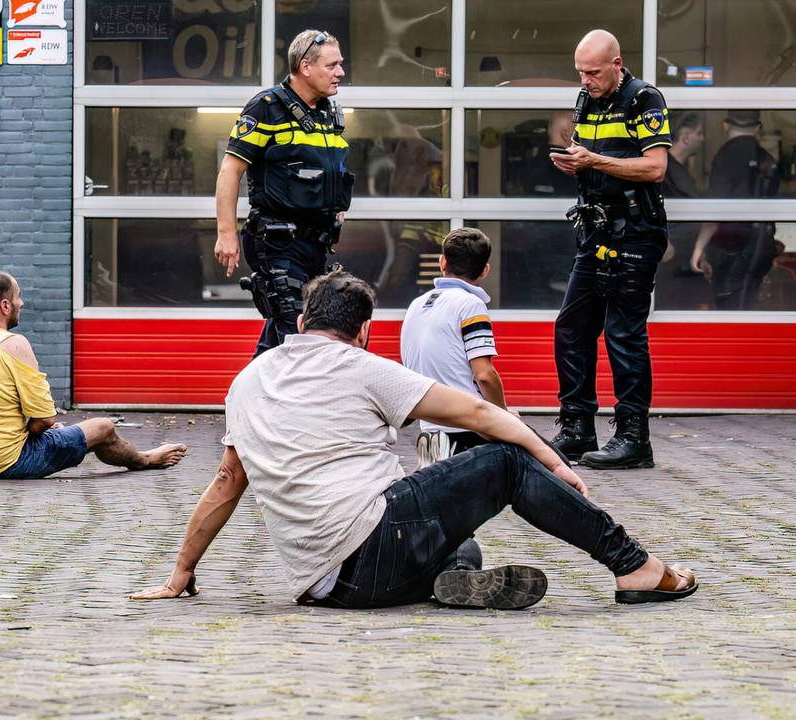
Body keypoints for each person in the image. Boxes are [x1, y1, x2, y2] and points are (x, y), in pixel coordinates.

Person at [130, 270, 697, 610]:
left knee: (461, 540)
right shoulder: (364, 365)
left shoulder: (248, 379)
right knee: (503, 461)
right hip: (375, 546)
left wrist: (181, 572)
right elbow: (480, 413)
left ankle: (456, 581)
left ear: (301, 323)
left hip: (326, 587)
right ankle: (635, 566)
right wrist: (554, 463)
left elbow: (227, 481)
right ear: (364, 331)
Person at [549, 30, 671, 470]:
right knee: (571, 327)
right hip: (595, 230)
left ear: (617, 64)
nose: (585, 80)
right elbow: (592, 158)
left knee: (623, 333)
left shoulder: (644, 99)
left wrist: (593, 160)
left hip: (635, 232)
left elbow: (655, 168)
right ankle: (577, 428)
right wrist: (573, 162)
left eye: (594, 72)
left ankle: (634, 439)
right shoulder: (587, 101)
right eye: (580, 72)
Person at [0, 270, 187, 479]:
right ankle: (145, 459)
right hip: (4, 462)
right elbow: (45, 420)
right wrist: (37, 429)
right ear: (5, 306)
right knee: (103, 427)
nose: (21, 303)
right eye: (18, 296)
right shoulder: (12, 344)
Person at [213, 29, 355, 356]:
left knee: (281, 338)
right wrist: (226, 233)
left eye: (340, 64)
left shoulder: (327, 112)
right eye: (332, 65)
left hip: (316, 244)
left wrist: (333, 206)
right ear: (305, 67)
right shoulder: (266, 108)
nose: (340, 72)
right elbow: (230, 170)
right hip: (277, 243)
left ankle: (251, 389)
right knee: (301, 336)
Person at [401, 228, 506, 466]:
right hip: (466, 428)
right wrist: (503, 417)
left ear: (442, 262)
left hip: (429, 428)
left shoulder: (416, 305)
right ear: (485, 270)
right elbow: (484, 375)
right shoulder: (471, 305)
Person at [690, 110, 782, 310]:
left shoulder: (725, 157)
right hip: (761, 244)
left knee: (729, 307)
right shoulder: (768, 159)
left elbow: (715, 209)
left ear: (726, 126)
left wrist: (699, 248)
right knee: (746, 304)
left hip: (731, 246)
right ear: (757, 128)